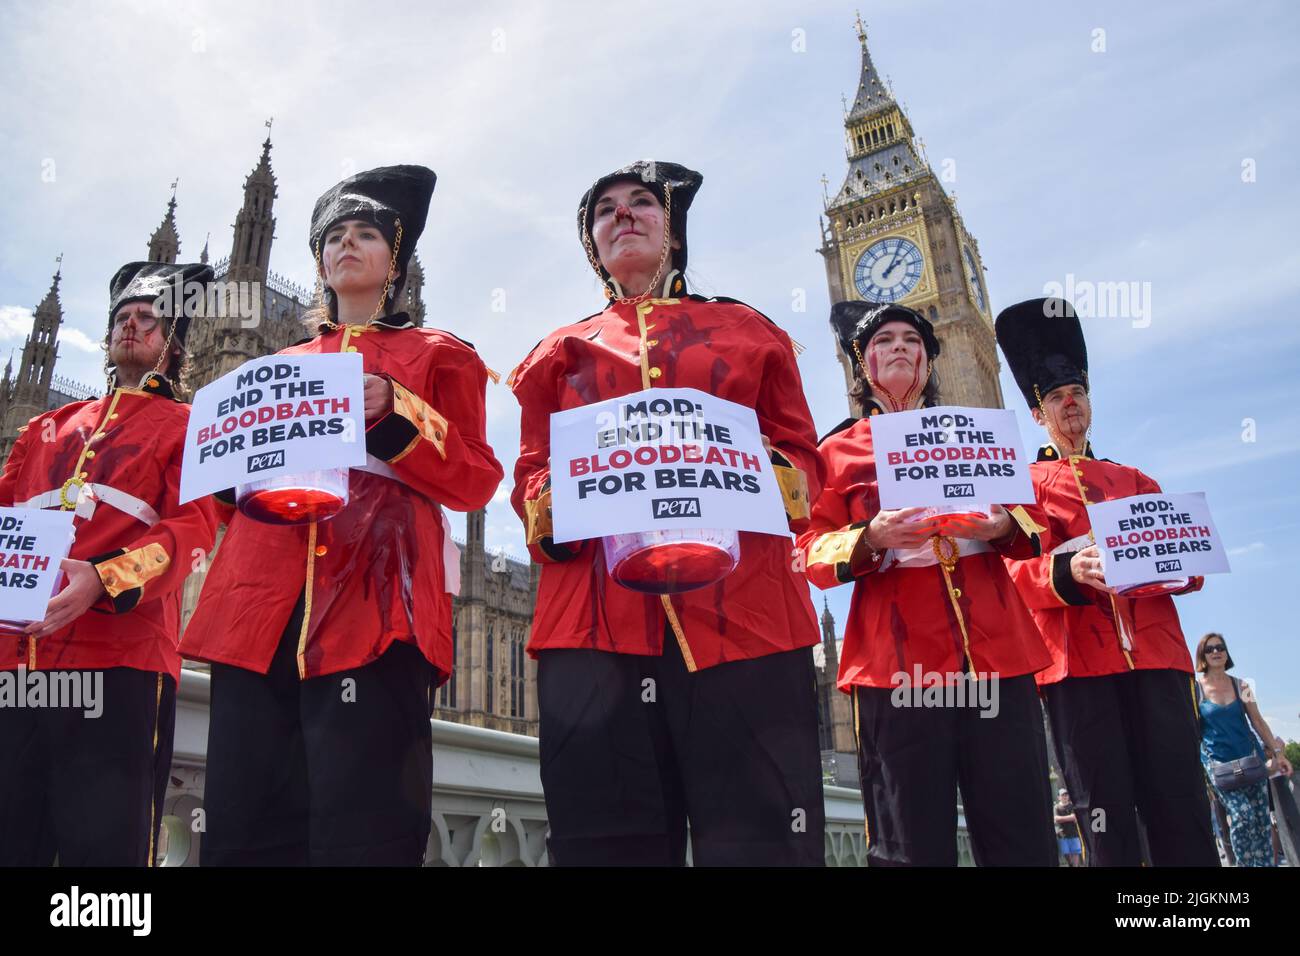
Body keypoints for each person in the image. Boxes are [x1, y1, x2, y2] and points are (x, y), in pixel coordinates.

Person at [181, 165, 503, 865]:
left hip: (379, 609)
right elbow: (215, 497)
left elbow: (476, 478)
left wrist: (399, 410)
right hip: (256, 616)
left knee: (367, 827)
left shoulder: (440, 355)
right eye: (334, 237)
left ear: (396, 262)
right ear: (319, 260)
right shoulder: (272, 364)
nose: (347, 245)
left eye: (366, 234)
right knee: (242, 828)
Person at [509, 159, 827, 865]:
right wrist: (553, 505)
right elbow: (530, 474)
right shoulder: (555, 355)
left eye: (641, 203)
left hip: (745, 620)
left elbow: (807, 464)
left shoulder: (748, 330)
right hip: (595, 630)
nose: (622, 214)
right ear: (593, 245)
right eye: (604, 210)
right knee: (605, 843)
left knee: (760, 841)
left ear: (672, 232)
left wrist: (749, 471)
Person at [797, 300, 1057, 867]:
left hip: (997, 658)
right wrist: (870, 538)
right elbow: (807, 551)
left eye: (913, 342)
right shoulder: (836, 451)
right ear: (863, 365)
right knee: (907, 840)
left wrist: (1001, 523)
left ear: (930, 360)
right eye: (884, 341)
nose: (899, 348)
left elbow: (1036, 522)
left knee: (1022, 833)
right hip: (896, 666)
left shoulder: (978, 435)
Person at [0, 261, 219, 865]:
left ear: (172, 346)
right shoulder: (44, 428)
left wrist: (105, 576)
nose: (131, 326)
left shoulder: (190, 427)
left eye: (147, 319)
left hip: (119, 665)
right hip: (16, 668)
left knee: (105, 853)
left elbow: (197, 530)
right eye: (122, 317)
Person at [996, 297, 1219, 866]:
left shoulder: (1137, 479)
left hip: (1158, 660)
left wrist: (1162, 560)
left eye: (1076, 395)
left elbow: (1189, 563)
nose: (1068, 405)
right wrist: (1067, 572)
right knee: (1105, 811)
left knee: (1182, 804)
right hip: (1077, 667)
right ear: (1038, 415)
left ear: (1089, 404)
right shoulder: (1022, 485)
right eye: (1054, 398)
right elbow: (1007, 575)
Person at [1195, 632, 1292, 867]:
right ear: (1203, 656)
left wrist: (1278, 754)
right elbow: (1193, 731)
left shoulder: (1243, 685)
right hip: (1220, 767)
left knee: (1260, 820)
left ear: (1226, 653)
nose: (1217, 651)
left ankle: (1265, 864)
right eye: (1210, 649)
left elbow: (1257, 721)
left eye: (1221, 647)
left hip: (1251, 761)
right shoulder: (1195, 689)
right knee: (1242, 817)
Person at [1054, 788, 1083, 866]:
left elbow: (1074, 817)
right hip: (1062, 834)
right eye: (1063, 795)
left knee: (1075, 852)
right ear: (1059, 797)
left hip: (1074, 833)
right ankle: (1071, 864)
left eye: (1066, 795)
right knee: (1066, 853)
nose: (1065, 796)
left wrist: (1062, 819)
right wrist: (1069, 817)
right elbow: (1056, 819)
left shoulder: (1072, 806)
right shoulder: (1057, 807)